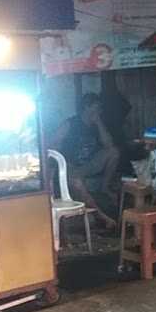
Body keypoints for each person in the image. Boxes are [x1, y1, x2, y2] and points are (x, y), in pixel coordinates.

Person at [52, 93, 119, 228]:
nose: (99, 110)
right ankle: (101, 216)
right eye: (97, 107)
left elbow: (109, 145)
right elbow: (53, 144)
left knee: (114, 152)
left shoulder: (97, 124)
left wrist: (99, 122)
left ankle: (105, 187)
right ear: (87, 107)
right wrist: (59, 164)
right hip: (70, 166)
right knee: (77, 183)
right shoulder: (70, 123)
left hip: (88, 164)